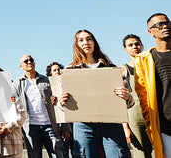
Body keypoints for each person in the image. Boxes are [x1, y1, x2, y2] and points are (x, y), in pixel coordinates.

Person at [59, 30, 132, 158]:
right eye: (80, 40)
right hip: (83, 126)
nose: (86, 42)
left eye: (89, 39)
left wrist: (127, 97)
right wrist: (62, 101)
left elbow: (129, 103)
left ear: (94, 42)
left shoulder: (111, 68)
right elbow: (62, 107)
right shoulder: (70, 71)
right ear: (76, 45)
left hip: (112, 123)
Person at [13, 54, 67, 158]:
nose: (29, 62)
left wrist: (65, 126)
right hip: (30, 128)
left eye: (31, 60)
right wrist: (18, 129)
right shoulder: (16, 84)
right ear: (21, 66)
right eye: (26, 61)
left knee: (58, 155)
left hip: (50, 126)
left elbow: (60, 102)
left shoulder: (47, 80)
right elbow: (14, 107)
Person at [134, 13, 171, 158]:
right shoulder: (144, 60)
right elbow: (143, 98)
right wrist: (151, 125)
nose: (165, 26)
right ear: (150, 32)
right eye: (159, 25)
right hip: (165, 126)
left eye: (167, 23)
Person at [121, 34, 153, 158]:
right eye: (130, 45)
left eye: (137, 44)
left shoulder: (152, 65)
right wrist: (125, 127)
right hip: (135, 115)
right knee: (141, 154)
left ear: (142, 45)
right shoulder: (123, 69)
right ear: (125, 49)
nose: (135, 47)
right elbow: (120, 100)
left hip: (154, 112)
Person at [46, 62, 72, 158]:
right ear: (50, 74)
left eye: (59, 70)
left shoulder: (68, 84)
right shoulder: (47, 87)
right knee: (62, 153)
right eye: (54, 70)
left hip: (71, 122)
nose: (57, 72)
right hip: (57, 125)